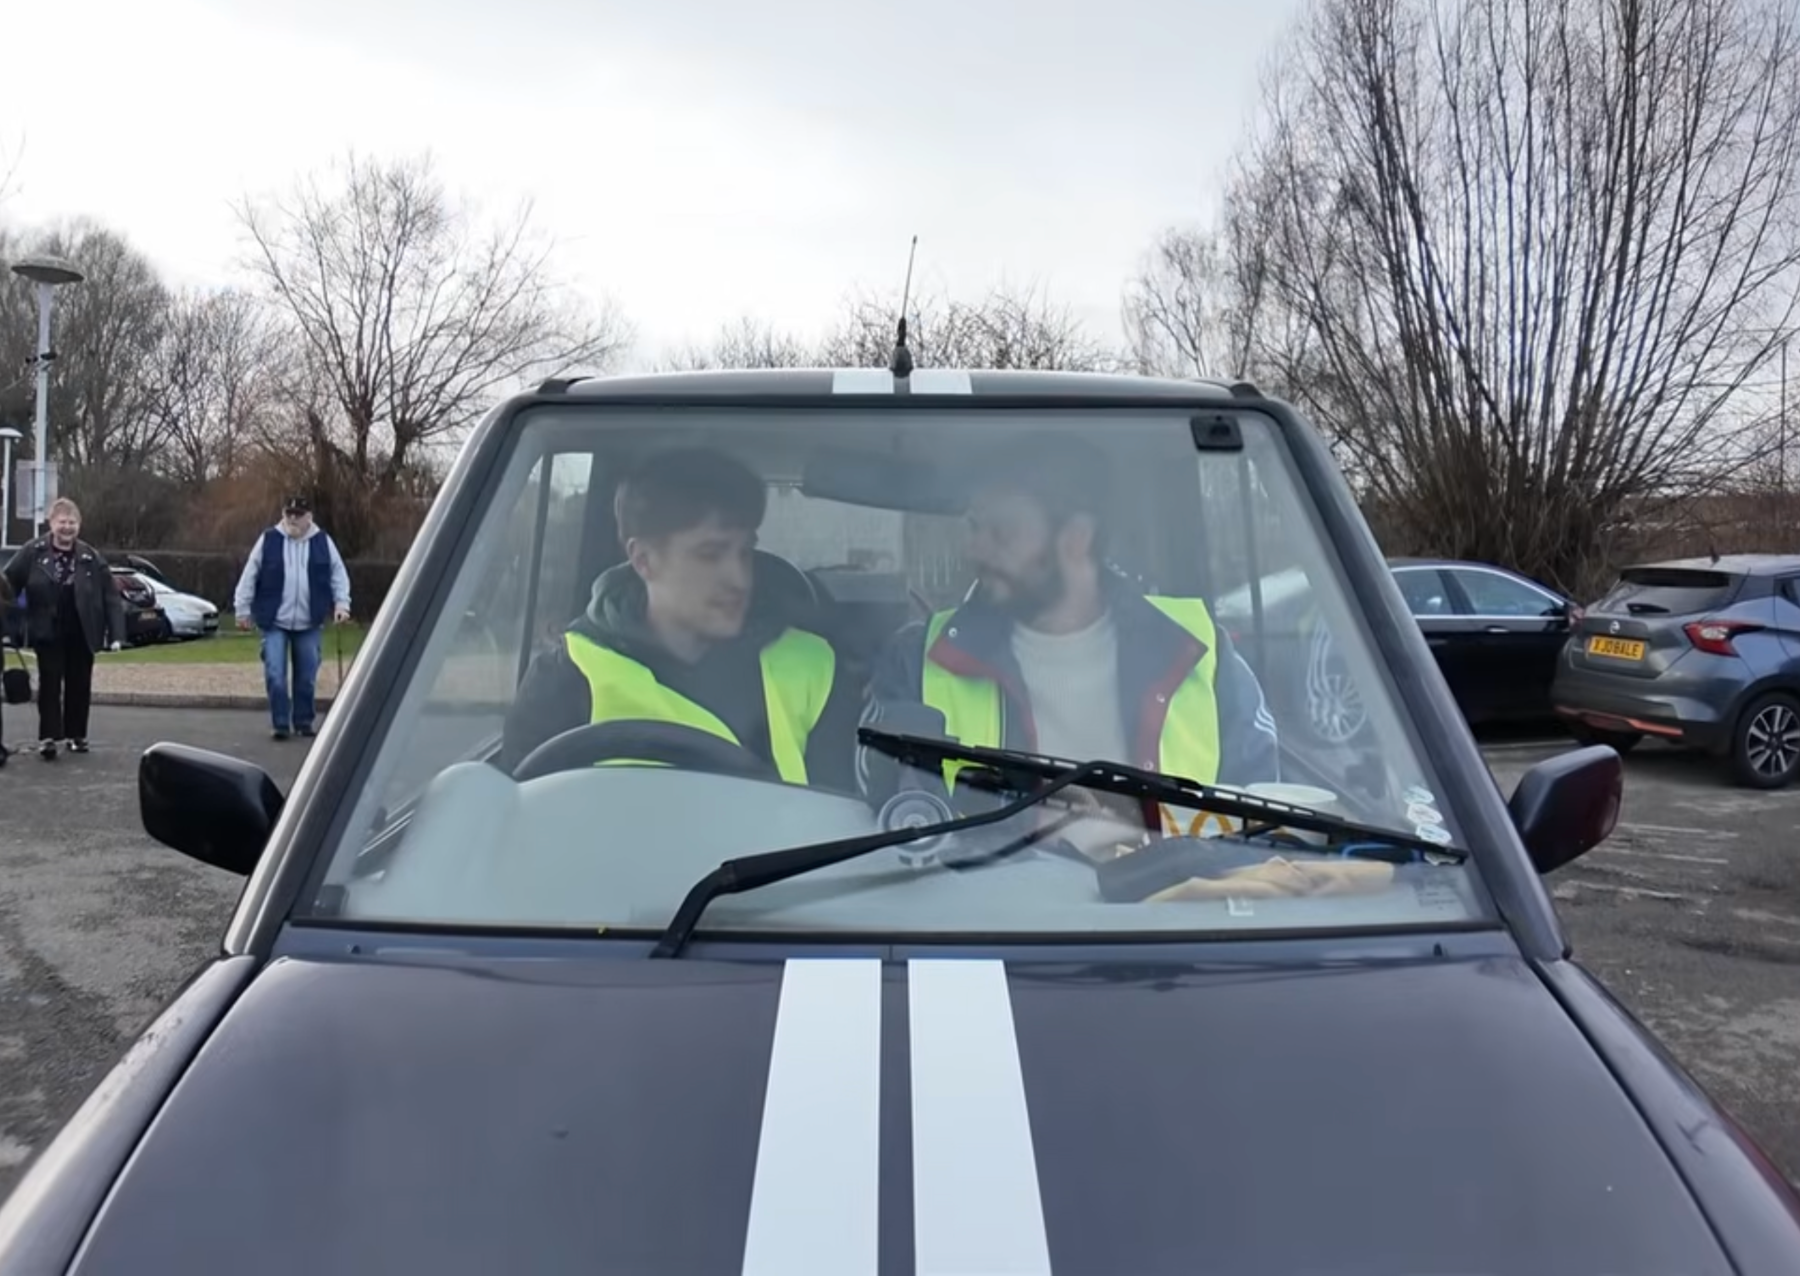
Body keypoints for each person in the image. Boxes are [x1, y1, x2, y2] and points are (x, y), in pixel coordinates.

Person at [859, 432, 1280, 849]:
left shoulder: (1198, 647)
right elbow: (865, 803)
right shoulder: (917, 655)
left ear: (1076, 538)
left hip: (1178, 909)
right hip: (984, 910)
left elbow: (1266, 808)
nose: (975, 548)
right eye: (974, 527)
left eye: (1001, 532)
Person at [500, 446, 860, 790]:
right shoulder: (567, 678)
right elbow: (522, 828)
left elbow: (845, 824)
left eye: (745, 552)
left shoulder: (816, 666)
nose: (739, 578)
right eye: (710, 554)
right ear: (643, 560)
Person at [1, 498, 127, 760]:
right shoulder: (33, 551)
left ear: (79, 526)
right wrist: (11, 623)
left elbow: (110, 596)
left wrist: (116, 634)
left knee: (80, 684)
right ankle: (49, 737)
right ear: (51, 523)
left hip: (82, 628)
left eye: (72, 523)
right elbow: (7, 584)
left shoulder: (90, 557)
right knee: (49, 683)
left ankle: (76, 735)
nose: (67, 528)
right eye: (62, 522)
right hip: (46, 628)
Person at [233, 495, 352, 741]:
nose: (292, 519)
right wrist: (242, 610)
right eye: (289, 514)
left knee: (307, 676)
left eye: (298, 514)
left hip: (309, 621)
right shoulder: (269, 539)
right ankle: (280, 724)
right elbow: (250, 574)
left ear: (309, 517)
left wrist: (342, 604)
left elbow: (338, 574)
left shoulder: (322, 542)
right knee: (275, 674)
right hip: (275, 620)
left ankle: (303, 721)